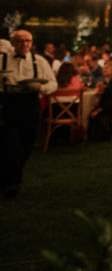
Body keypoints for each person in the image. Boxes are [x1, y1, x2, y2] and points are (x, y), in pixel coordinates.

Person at [1, 30, 57, 196]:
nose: (24, 44)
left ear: (32, 43)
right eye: (20, 41)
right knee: (11, 145)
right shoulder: (2, 60)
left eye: (27, 41)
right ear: (12, 43)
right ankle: (13, 183)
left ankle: (9, 178)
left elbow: (53, 84)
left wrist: (40, 88)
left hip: (30, 105)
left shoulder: (39, 61)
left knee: (26, 144)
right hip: (8, 104)